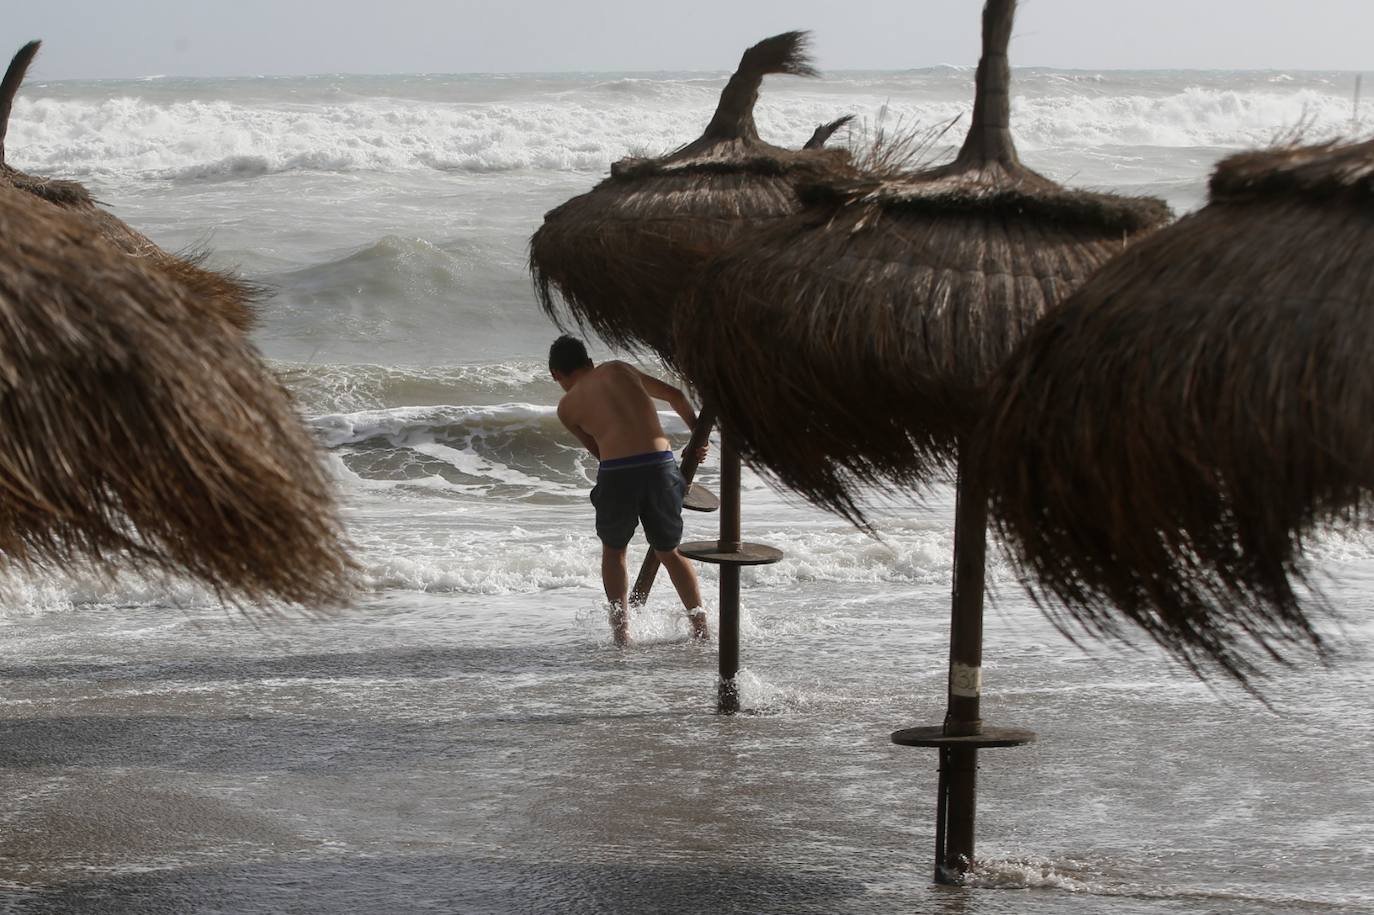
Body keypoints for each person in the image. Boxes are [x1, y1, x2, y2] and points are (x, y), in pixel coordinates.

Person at [549, 335, 709, 646]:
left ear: (556, 375)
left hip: (616, 473)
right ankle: (701, 628)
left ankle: (621, 634)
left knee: (614, 551)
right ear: (590, 363)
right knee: (669, 551)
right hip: (660, 467)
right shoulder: (619, 369)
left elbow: (598, 451)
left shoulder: (566, 408)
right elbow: (676, 396)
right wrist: (697, 439)